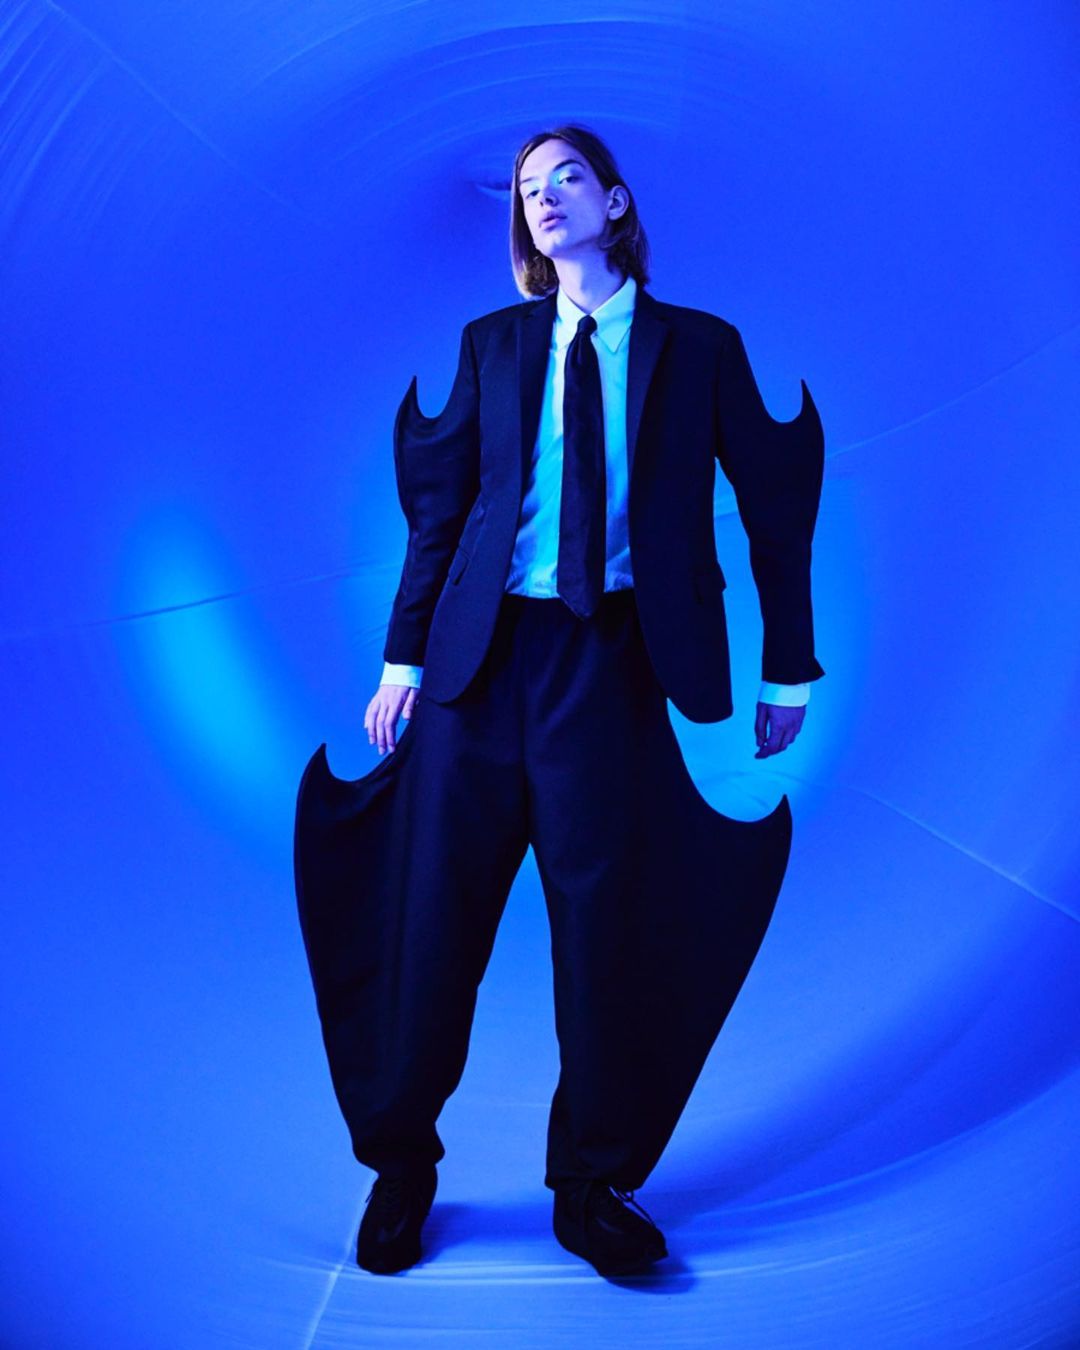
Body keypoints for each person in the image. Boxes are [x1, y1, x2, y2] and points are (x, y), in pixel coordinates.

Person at [293, 123, 826, 1280]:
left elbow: (775, 512)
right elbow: (443, 515)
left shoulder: (700, 348)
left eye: (569, 177)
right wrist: (400, 663)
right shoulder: (493, 344)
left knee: (609, 932)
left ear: (617, 202)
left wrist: (787, 666)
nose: (545, 197)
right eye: (530, 187)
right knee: (431, 922)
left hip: (615, 659)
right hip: (479, 667)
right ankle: (401, 1165)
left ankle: (591, 1182)